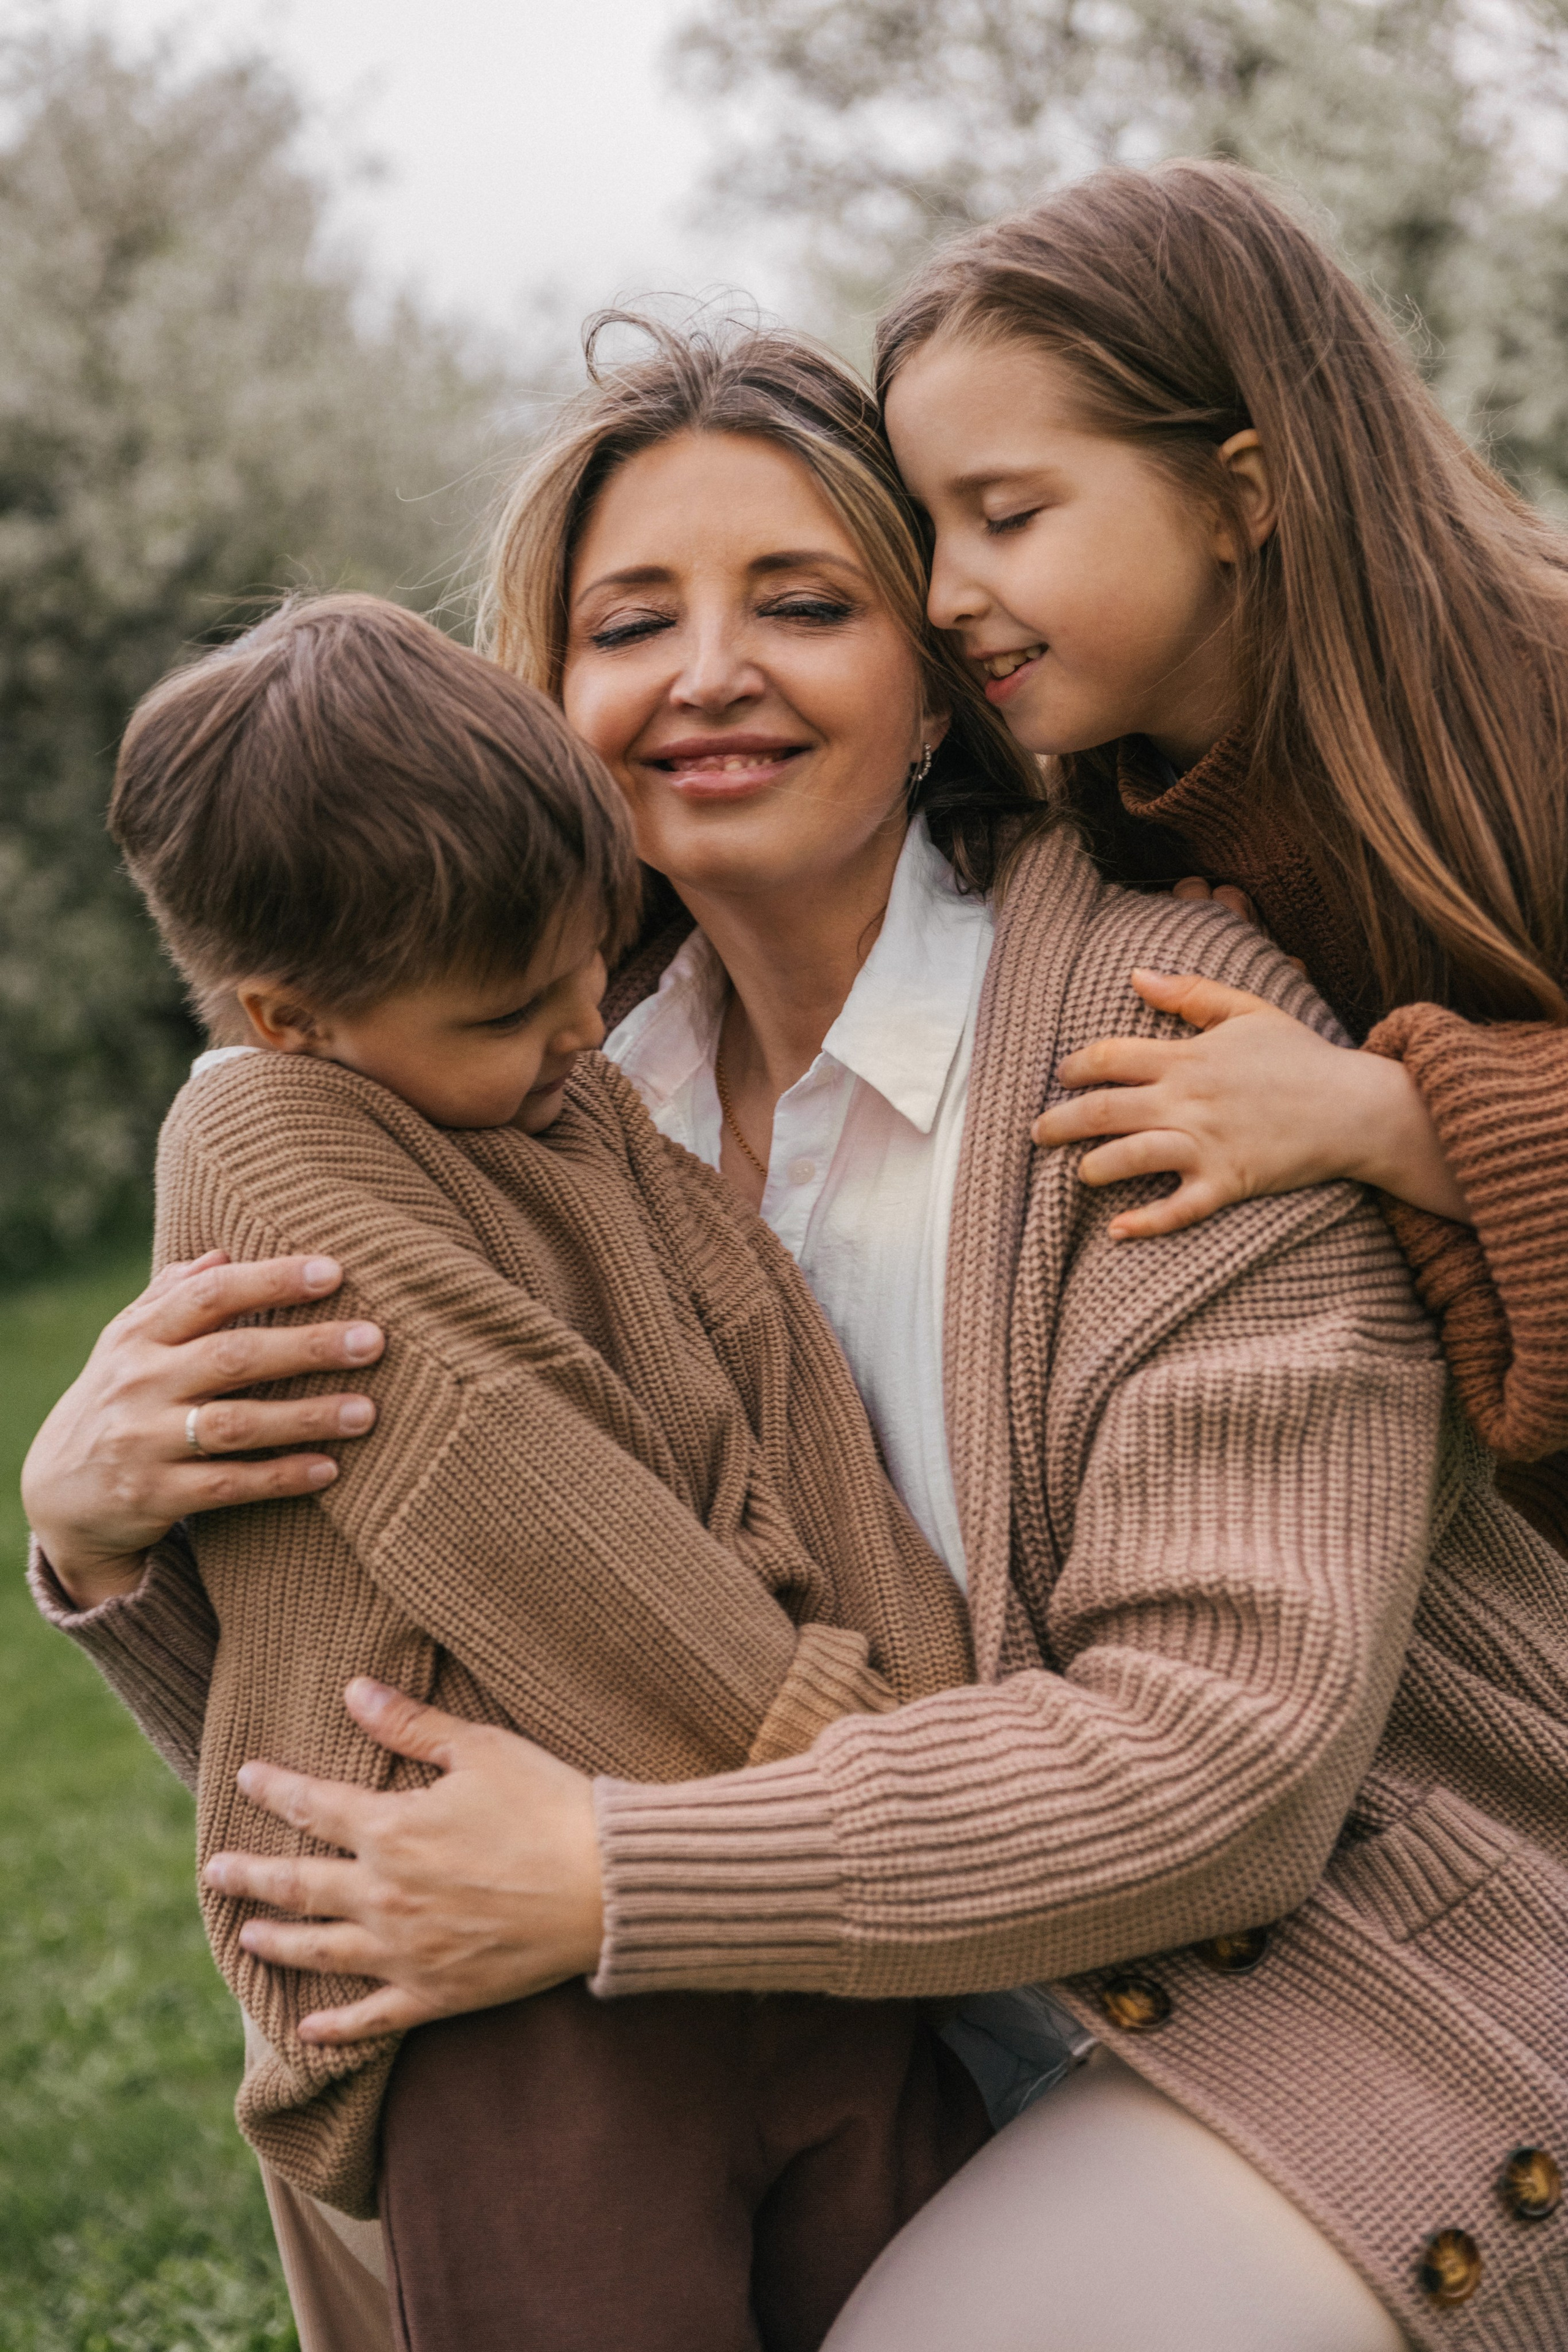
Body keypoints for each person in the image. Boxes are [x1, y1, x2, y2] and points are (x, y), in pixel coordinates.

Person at [24, 268, 1567, 2352]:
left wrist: (620, 1876)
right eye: (631, 623)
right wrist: (112, 1546)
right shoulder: (488, 1113)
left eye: (809, 605)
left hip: (1313, 1992)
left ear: (936, 684)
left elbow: (1235, 1762)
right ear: (536, 706)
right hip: (815, 2033)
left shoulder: (1168, 1044)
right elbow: (369, 1699)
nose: (713, 675)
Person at [75, 589, 987, 2352]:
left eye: (596, 956)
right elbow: (510, 1503)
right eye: (513, 1008)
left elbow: (786, 1379)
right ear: (293, 1018)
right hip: (514, 1984)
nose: (584, 1023)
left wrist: (913, 1726)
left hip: (770, 1907)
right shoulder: (264, 1142)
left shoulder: (582, 1114)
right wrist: (834, 1755)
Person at [873, 160, 1568, 1554]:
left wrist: (1380, 1118)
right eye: (924, 534)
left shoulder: (1536, 698)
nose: (947, 597)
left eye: (1006, 517)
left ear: (1233, 494)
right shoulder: (1090, 822)